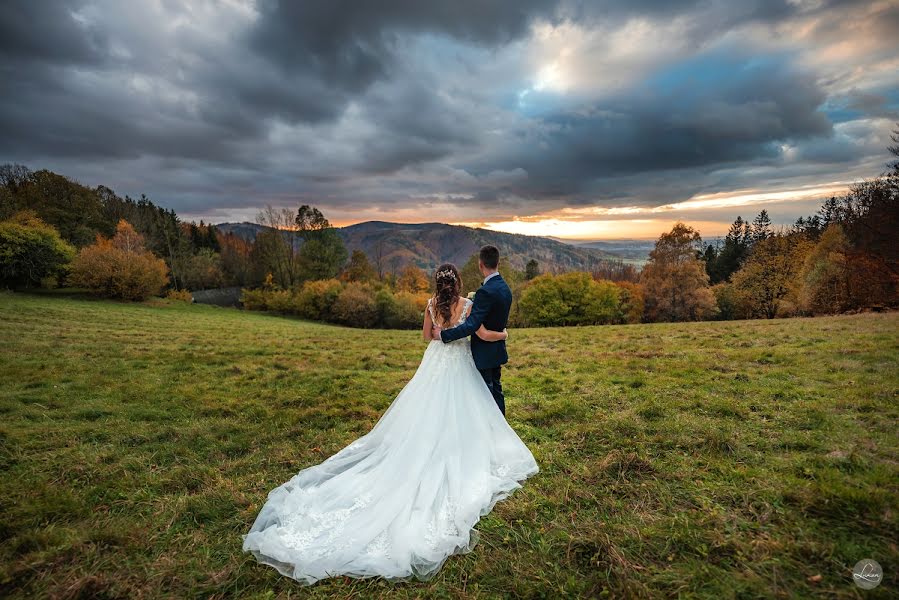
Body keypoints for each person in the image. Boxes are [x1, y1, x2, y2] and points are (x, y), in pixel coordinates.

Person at [242, 262, 538, 585]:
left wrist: (440, 332)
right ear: (458, 282)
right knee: (466, 410)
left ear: (437, 284)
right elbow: (476, 333)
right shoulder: (467, 305)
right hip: (461, 367)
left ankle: (428, 447)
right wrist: (501, 333)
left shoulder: (430, 304)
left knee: (425, 413)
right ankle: (463, 449)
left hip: (436, 365)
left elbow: (428, 337)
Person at [434, 245, 512, 415]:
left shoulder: (485, 292)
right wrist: (503, 334)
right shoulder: (506, 289)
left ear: (480, 264)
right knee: (497, 390)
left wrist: (443, 334)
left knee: (484, 394)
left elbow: (471, 326)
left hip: (483, 353)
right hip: (497, 351)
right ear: (497, 262)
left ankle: (491, 429)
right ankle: (501, 427)